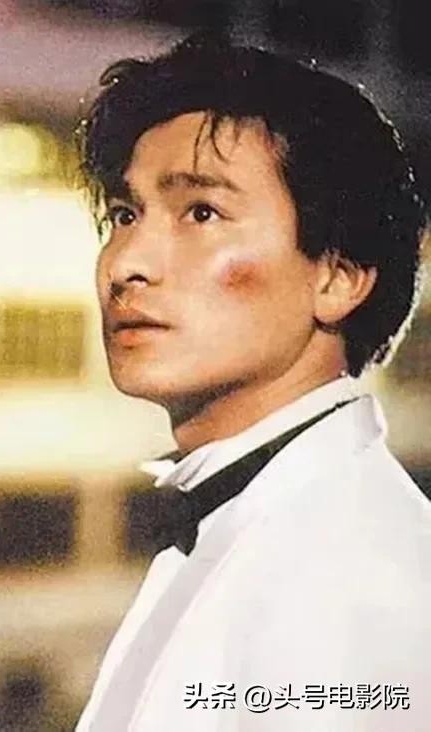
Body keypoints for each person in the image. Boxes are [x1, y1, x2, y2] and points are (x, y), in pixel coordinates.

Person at [75, 34, 431, 731]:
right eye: (123, 215)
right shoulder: (246, 523)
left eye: (201, 213)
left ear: (338, 277)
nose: (125, 264)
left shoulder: (359, 580)